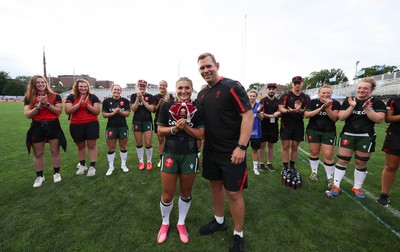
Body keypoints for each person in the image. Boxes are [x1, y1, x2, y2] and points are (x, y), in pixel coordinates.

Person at [197, 52, 253, 252]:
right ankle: (219, 221)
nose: (205, 70)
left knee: (234, 193)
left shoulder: (232, 86)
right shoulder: (202, 94)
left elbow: (248, 116)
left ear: (217, 65)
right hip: (211, 151)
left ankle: (238, 235)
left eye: (208, 66)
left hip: (232, 152)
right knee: (215, 186)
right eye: (202, 68)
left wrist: (241, 147)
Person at [156, 77, 204, 244]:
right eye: (180, 88)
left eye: (187, 88)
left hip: (190, 154)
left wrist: (185, 127)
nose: (184, 91)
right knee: (167, 194)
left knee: (186, 192)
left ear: (192, 89)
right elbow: (160, 130)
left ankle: (181, 223)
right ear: (175, 90)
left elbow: (200, 134)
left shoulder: (198, 108)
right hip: (170, 153)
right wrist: (175, 129)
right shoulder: (167, 106)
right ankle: (165, 222)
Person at [327, 77, 385, 199]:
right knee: (342, 160)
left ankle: (357, 187)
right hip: (348, 134)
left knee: (361, 162)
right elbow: (341, 117)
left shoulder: (377, 102)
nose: (361, 90)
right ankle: (336, 185)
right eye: (359, 88)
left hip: (365, 136)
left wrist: (367, 108)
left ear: (371, 90)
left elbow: (379, 119)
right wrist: (352, 107)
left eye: (365, 88)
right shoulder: (349, 100)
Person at [24, 75, 66, 187]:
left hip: (53, 124)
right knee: (38, 153)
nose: (41, 84)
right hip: (37, 125)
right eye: (38, 82)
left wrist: (47, 104)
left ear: (45, 83)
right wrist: (38, 106)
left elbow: (58, 111)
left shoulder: (55, 96)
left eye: (42, 82)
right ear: (34, 84)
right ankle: (39, 176)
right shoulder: (29, 97)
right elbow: (27, 115)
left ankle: (56, 173)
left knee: (55, 151)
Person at [304, 84, 340, 188]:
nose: (326, 94)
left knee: (328, 155)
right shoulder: (312, 102)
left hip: (328, 132)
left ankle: (330, 178)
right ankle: (314, 172)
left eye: (328, 92)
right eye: (323, 92)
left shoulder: (336, 103)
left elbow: (334, 118)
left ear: (331, 93)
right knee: (314, 153)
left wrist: (327, 107)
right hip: (313, 130)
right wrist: (320, 108)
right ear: (319, 93)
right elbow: (306, 115)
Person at [278, 76, 310, 188]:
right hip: (286, 124)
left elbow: (306, 112)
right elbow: (280, 108)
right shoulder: (286, 95)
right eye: (295, 83)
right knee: (286, 146)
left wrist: (299, 110)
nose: (297, 85)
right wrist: (289, 110)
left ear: (302, 84)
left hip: (298, 125)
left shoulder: (305, 97)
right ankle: (285, 166)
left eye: (299, 83)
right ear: (292, 84)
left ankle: (292, 166)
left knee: (295, 146)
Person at [65, 79, 100, 177]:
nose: (83, 88)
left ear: (88, 87)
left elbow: (97, 111)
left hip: (91, 124)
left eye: (85, 86)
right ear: (77, 87)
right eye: (81, 86)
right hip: (76, 124)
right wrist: (79, 104)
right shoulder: (71, 97)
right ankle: (82, 165)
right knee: (80, 146)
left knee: (92, 145)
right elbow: (67, 111)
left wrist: (87, 105)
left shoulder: (93, 97)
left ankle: (92, 166)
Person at [102, 84, 131, 176]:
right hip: (111, 127)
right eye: (115, 89)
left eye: (118, 90)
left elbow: (127, 114)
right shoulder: (107, 101)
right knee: (111, 147)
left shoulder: (125, 101)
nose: (117, 91)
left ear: (121, 91)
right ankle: (111, 166)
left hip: (123, 127)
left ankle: (123, 164)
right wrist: (113, 113)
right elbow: (104, 114)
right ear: (112, 90)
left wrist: (120, 112)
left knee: (123, 146)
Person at [377, 96, 400, 206]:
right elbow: (388, 118)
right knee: (391, 166)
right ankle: (384, 193)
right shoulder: (395, 99)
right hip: (396, 135)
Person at [130, 79, 155, 170]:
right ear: (137, 86)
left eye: (144, 86)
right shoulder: (133, 96)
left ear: (146, 87)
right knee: (139, 142)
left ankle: (149, 161)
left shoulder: (150, 96)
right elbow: (133, 109)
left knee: (148, 142)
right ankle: (141, 161)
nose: (142, 87)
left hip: (147, 121)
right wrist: (138, 98)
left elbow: (151, 109)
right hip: (136, 121)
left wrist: (143, 100)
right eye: (140, 86)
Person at [258, 83, 280, 172]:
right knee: (262, 145)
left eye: (273, 89)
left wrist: (278, 113)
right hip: (264, 125)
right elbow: (261, 113)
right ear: (267, 90)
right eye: (270, 89)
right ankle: (261, 163)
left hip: (274, 126)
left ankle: (269, 163)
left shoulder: (278, 101)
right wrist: (271, 116)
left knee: (271, 145)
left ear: (275, 91)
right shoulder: (263, 100)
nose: (271, 91)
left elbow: (281, 111)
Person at [153, 80, 174, 168]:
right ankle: (161, 159)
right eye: (160, 85)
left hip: (169, 121)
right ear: (158, 86)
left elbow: (174, 108)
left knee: (171, 140)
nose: (162, 87)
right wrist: (159, 104)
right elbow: (153, 110)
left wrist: (167, 103)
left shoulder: (170, 96)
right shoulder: (155, 97)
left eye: (164, 85)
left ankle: (171, 158)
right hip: (159, 121)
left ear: (166, 86)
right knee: (161, 141)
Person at [248, 90, 264, 176]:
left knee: (255, 150)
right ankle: (241, 167)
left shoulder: (259, 106)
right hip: (246, 132)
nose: (252, 97)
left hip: (256, 132)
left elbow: (261, 118)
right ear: (248, 96)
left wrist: (258, 112)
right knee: (242, 150)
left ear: (256, 97)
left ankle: (255, 167)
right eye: (250, 96)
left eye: (254, 96)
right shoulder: (245, 106)